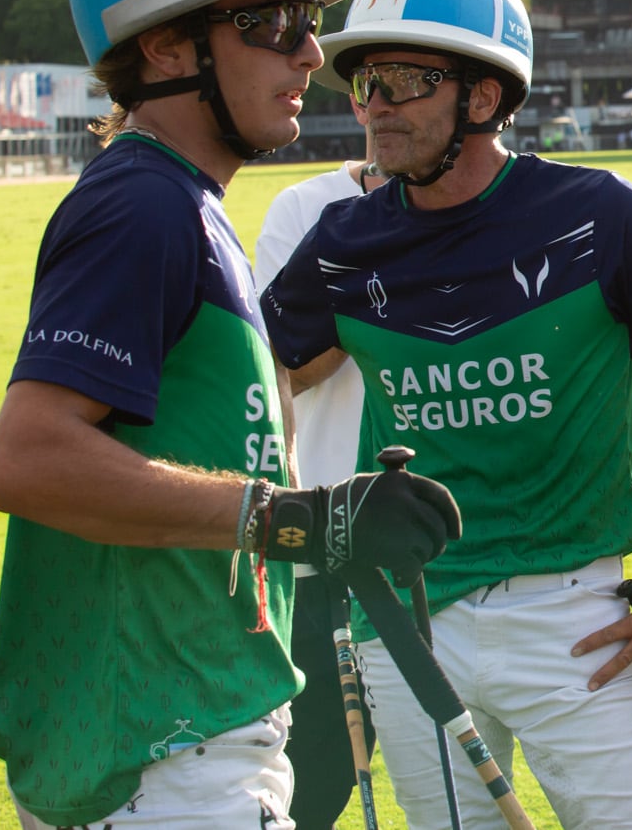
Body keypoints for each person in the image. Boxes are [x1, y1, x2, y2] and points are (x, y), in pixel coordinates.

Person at [0, 0, 461, 828]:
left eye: (311, 22)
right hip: (165, 754)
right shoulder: (141, 205)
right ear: (164, 47)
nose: (309, 54)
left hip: (188, 736)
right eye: (277, 23)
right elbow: (28, 458)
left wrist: (308, 515)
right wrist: (298, 521)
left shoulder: (183, 207)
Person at [262, 0, 632, 830]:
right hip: (406, 620)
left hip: (575, 620)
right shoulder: (342, 242)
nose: (375, 102)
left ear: (487, 97)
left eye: (405, 80)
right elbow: (271, 373)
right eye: (366, 79)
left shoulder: (603, 214)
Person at [253, 114, 390, 830]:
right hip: (324, 549)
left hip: (453, 551)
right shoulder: (304, 208)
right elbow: (283, 369)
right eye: (378, 85)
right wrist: (383, 268)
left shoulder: (488, 211)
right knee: (317, 786)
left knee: (458, 777)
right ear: (362, 104)